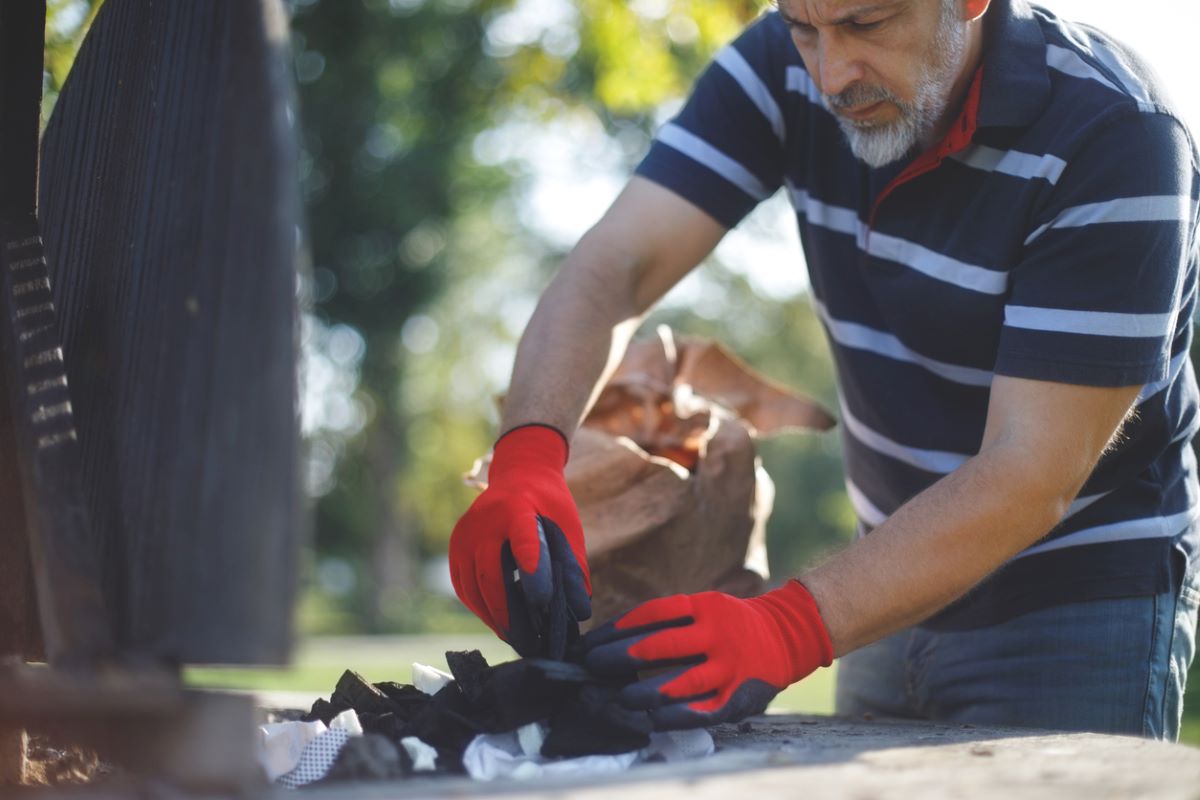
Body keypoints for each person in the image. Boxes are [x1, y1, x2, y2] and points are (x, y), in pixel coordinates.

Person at [449, 0, 1200, 739]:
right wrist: (529, 453)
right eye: (804, 27)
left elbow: (1031, 470)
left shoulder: (1117, 135)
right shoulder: (779, 66)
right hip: (883, 580)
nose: (832, 74)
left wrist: (789, 626)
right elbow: (616, 265)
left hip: (1076, 608)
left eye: (866, 24)